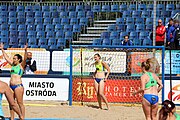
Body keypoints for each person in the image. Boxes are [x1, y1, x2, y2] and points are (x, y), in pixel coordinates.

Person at [0, 43, 27, 120]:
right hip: (11, 86)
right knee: (11, 103)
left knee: (20, 103)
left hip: (18, 86)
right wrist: (2, 49)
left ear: (18, 59)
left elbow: (25, 59)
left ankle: (22, 117)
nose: (13, 59)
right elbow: (6, 58)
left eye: (15, 58)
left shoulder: (21, 66)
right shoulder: (12, 65)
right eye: (14, 58)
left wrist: (25, 50)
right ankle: (12, 118)